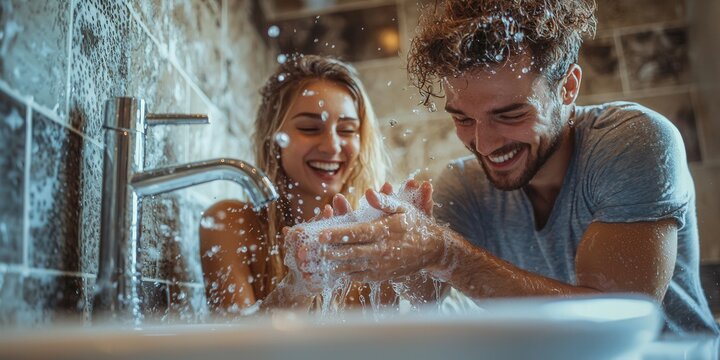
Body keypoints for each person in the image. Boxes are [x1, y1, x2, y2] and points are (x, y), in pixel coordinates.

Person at [288, 0, 719, 334]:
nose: (484, 142)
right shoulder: (463, 186)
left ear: (568, 86)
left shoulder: (634, 139)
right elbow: (427, 298)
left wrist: (444, 252)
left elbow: (616, 320)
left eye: (510, 114)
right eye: (462, 118)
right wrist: (381, 256)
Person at [199, 54, 394, 314]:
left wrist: (422, 269)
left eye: (347, 130)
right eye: (310, 128)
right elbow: (236, 349)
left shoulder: (374, 235)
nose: (332, 146)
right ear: (273, 138)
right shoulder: (230, 224)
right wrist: (298, 287)